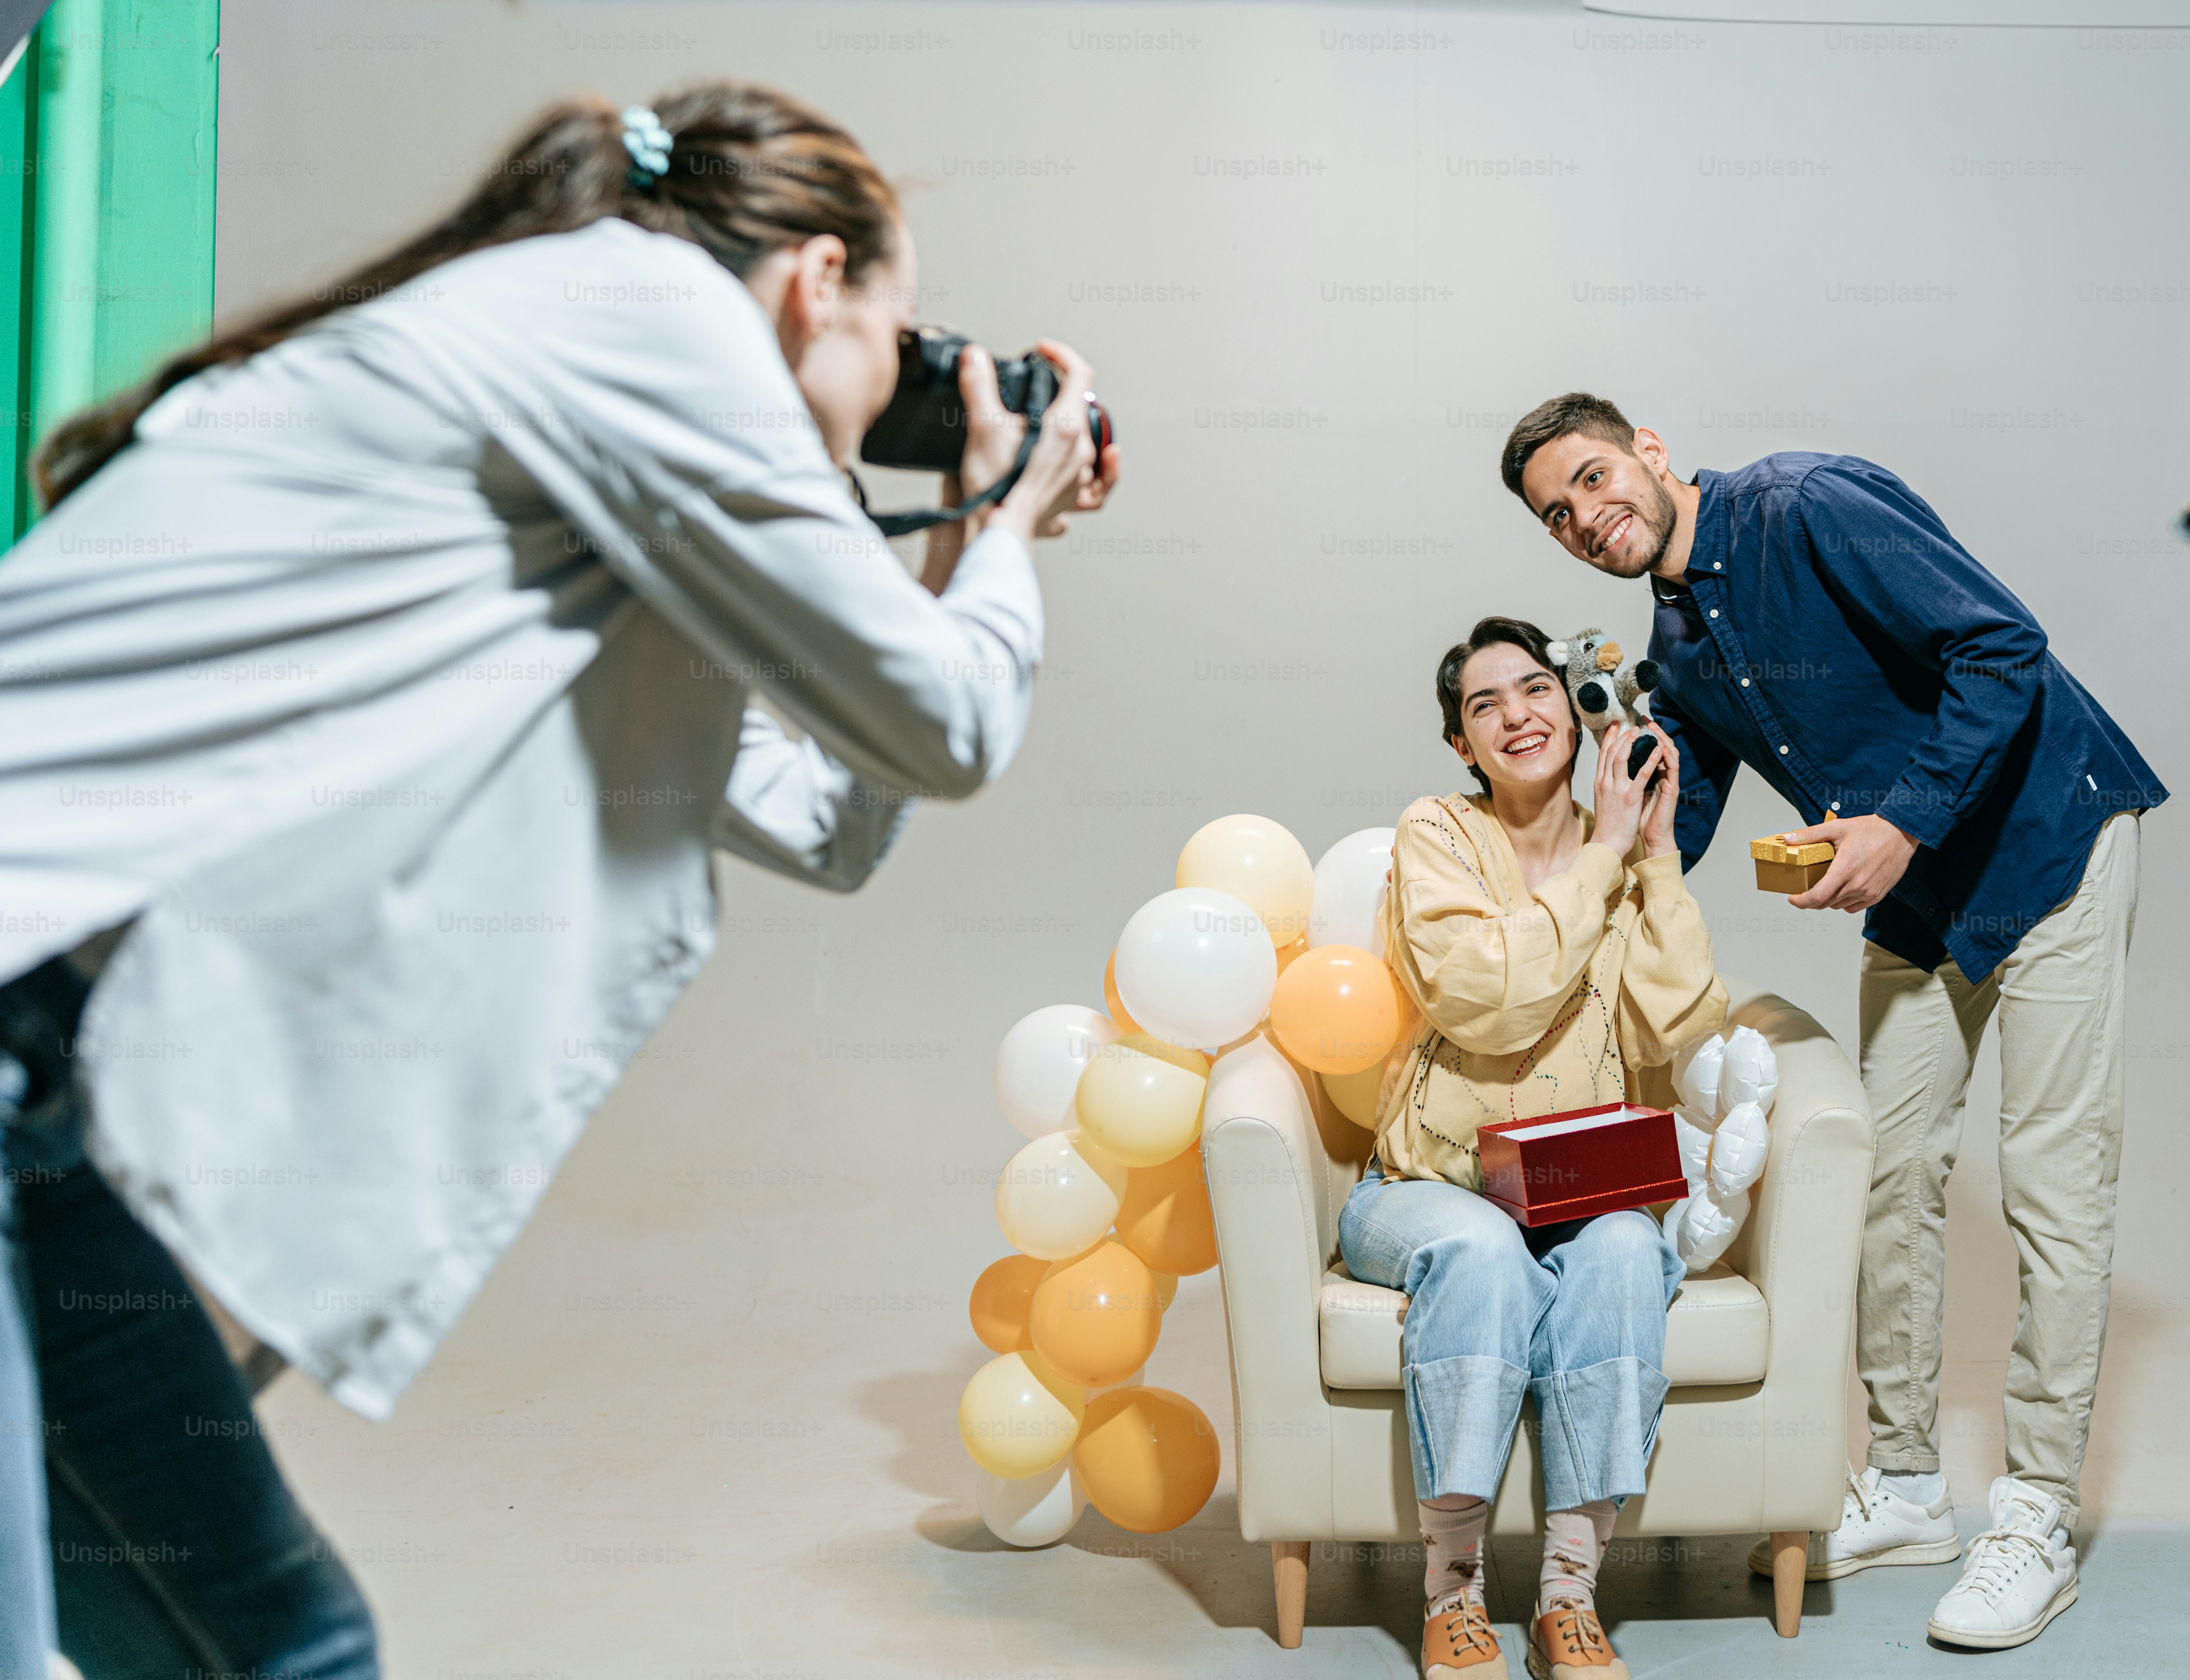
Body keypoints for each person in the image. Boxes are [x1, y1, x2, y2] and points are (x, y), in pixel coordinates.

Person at [0, 83, 1113, 1676]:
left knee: (261, 1646)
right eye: (901, 331)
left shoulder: (603, 505)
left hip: (39, 1089)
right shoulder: (648, 320)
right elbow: (944, 723)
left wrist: (962, 559)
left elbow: (837, 821)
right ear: (814, 281)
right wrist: (1003, 521)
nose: (893, 397)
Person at [1499, 397, 2166, 1649]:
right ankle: (1910, 1484)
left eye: (1595, 479)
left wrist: (1901, 818)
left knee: (2050, 1180)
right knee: (1887, 1174)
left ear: (1648, 449)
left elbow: (2004, 648)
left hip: (2047, 845)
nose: (1590, 519)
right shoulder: (1679, 644)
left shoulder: (1803, 503)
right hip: (1918, 897)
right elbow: (1680, 824)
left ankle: (2035, 1516)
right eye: (1559, 516)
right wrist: (1600, 846)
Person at [1346, 616, 1726, 1680]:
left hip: (1577, 1187)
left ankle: (1570, 1592)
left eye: (1535, 689)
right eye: (1484, 704)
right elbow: (1483, 1004)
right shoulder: (1438, 832)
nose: (1517, 713)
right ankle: (1453, 1592)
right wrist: (1601, 853)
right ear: (1463, 745)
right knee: (1477, 1248)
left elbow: (1676, 1023)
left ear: (1578, 705)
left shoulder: (1626, 857)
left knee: (1616, 1253)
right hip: (1427, 1185)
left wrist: (1655, 856)